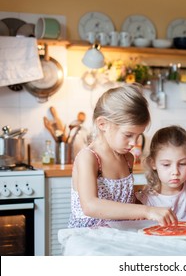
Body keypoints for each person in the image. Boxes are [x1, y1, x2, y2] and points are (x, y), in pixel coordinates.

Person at [68, 84, 178, 228]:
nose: (134, 142)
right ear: (103, 124)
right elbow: (90, 206)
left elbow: (126, 203)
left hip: (118, 234)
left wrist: (158, 205)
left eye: (138, 135)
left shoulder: (127, 158)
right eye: (128, 135)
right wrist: (147, 211)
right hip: (86, 238)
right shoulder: (89, 158)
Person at [136, 125, 186, 219]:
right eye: (166, 165)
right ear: (153, 163)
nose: (175, 172)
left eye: (182, 164)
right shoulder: (147, 200)